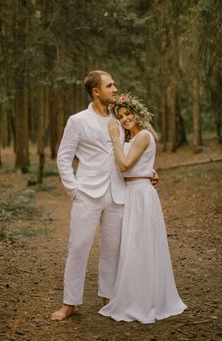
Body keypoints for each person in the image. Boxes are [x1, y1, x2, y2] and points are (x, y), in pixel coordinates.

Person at [51, 71, 159, 321]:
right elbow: (64, 157)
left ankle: (108, 298)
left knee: (113, 249)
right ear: (96, 91)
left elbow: (131, 152)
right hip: (87, 193)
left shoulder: (120, 121)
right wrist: (74, 191)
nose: (115, 88)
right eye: (109, 85)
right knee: (78, 247)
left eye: (114, 84)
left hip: (119, 193)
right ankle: (70, 303)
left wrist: (148, 172)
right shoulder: (77, 121)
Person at [99, 93, 187, 323]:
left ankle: (145, 299)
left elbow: (126, 164)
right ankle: (135, 293)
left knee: (141, 245)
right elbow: (133, 165)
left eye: (128, 114)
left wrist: (115, 140)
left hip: (140, 195)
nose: (125, 119)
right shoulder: (134, 138)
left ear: (138, 114)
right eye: (120, 116)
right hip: (134, 191)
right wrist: (150, 172)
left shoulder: (143, 136)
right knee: (134, 245)